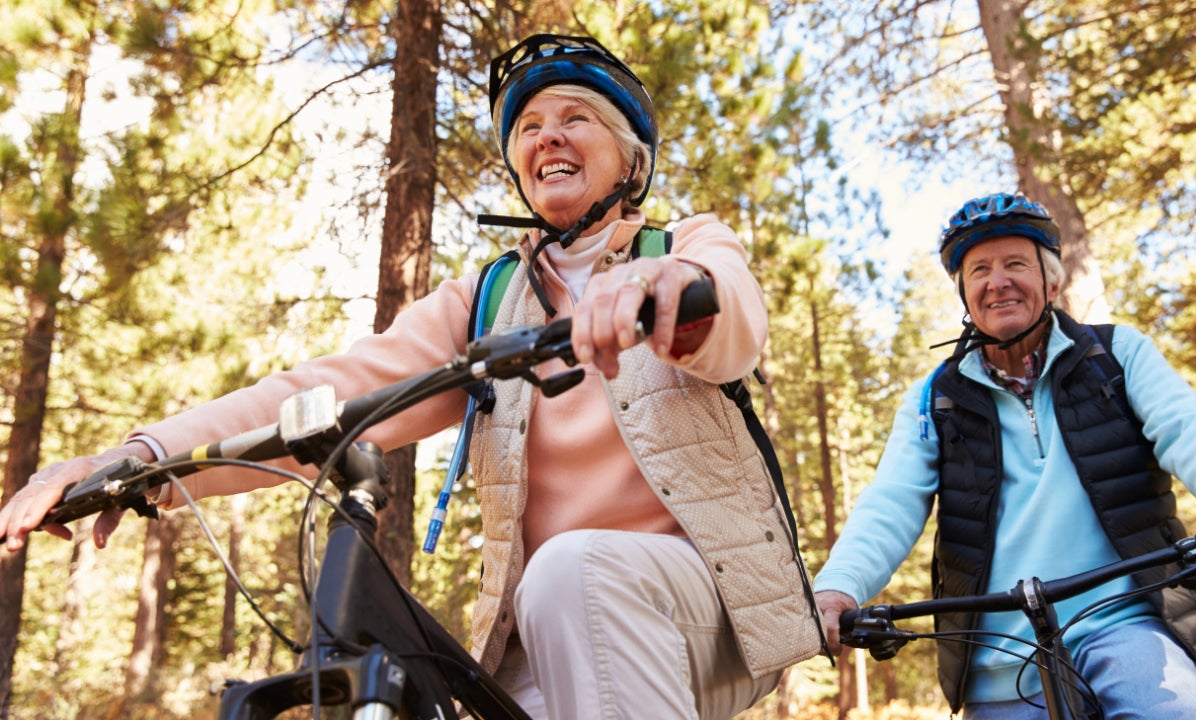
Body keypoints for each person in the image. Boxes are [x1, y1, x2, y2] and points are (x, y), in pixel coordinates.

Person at [1, 33, 826, 719]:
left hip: (710, 612)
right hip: (554, 630)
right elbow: (324, 392)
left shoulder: (680, 246)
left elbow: (735, 326)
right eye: (530, 127)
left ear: (630, 160)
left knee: (576, 571)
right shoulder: (487, 301)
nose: (548, 136)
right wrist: (140, 458)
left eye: (577, 118)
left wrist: (666, 291)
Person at [813, 192, 1196, 719]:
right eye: (979, 270)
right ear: (964, 294)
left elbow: (1188, 430)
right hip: (999, 654)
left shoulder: (1116, 355)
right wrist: (839, 588)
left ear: (1052, 281)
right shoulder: (934, 398)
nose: (997, 281)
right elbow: (891, 501)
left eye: (1016, 264)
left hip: (1127, 625)